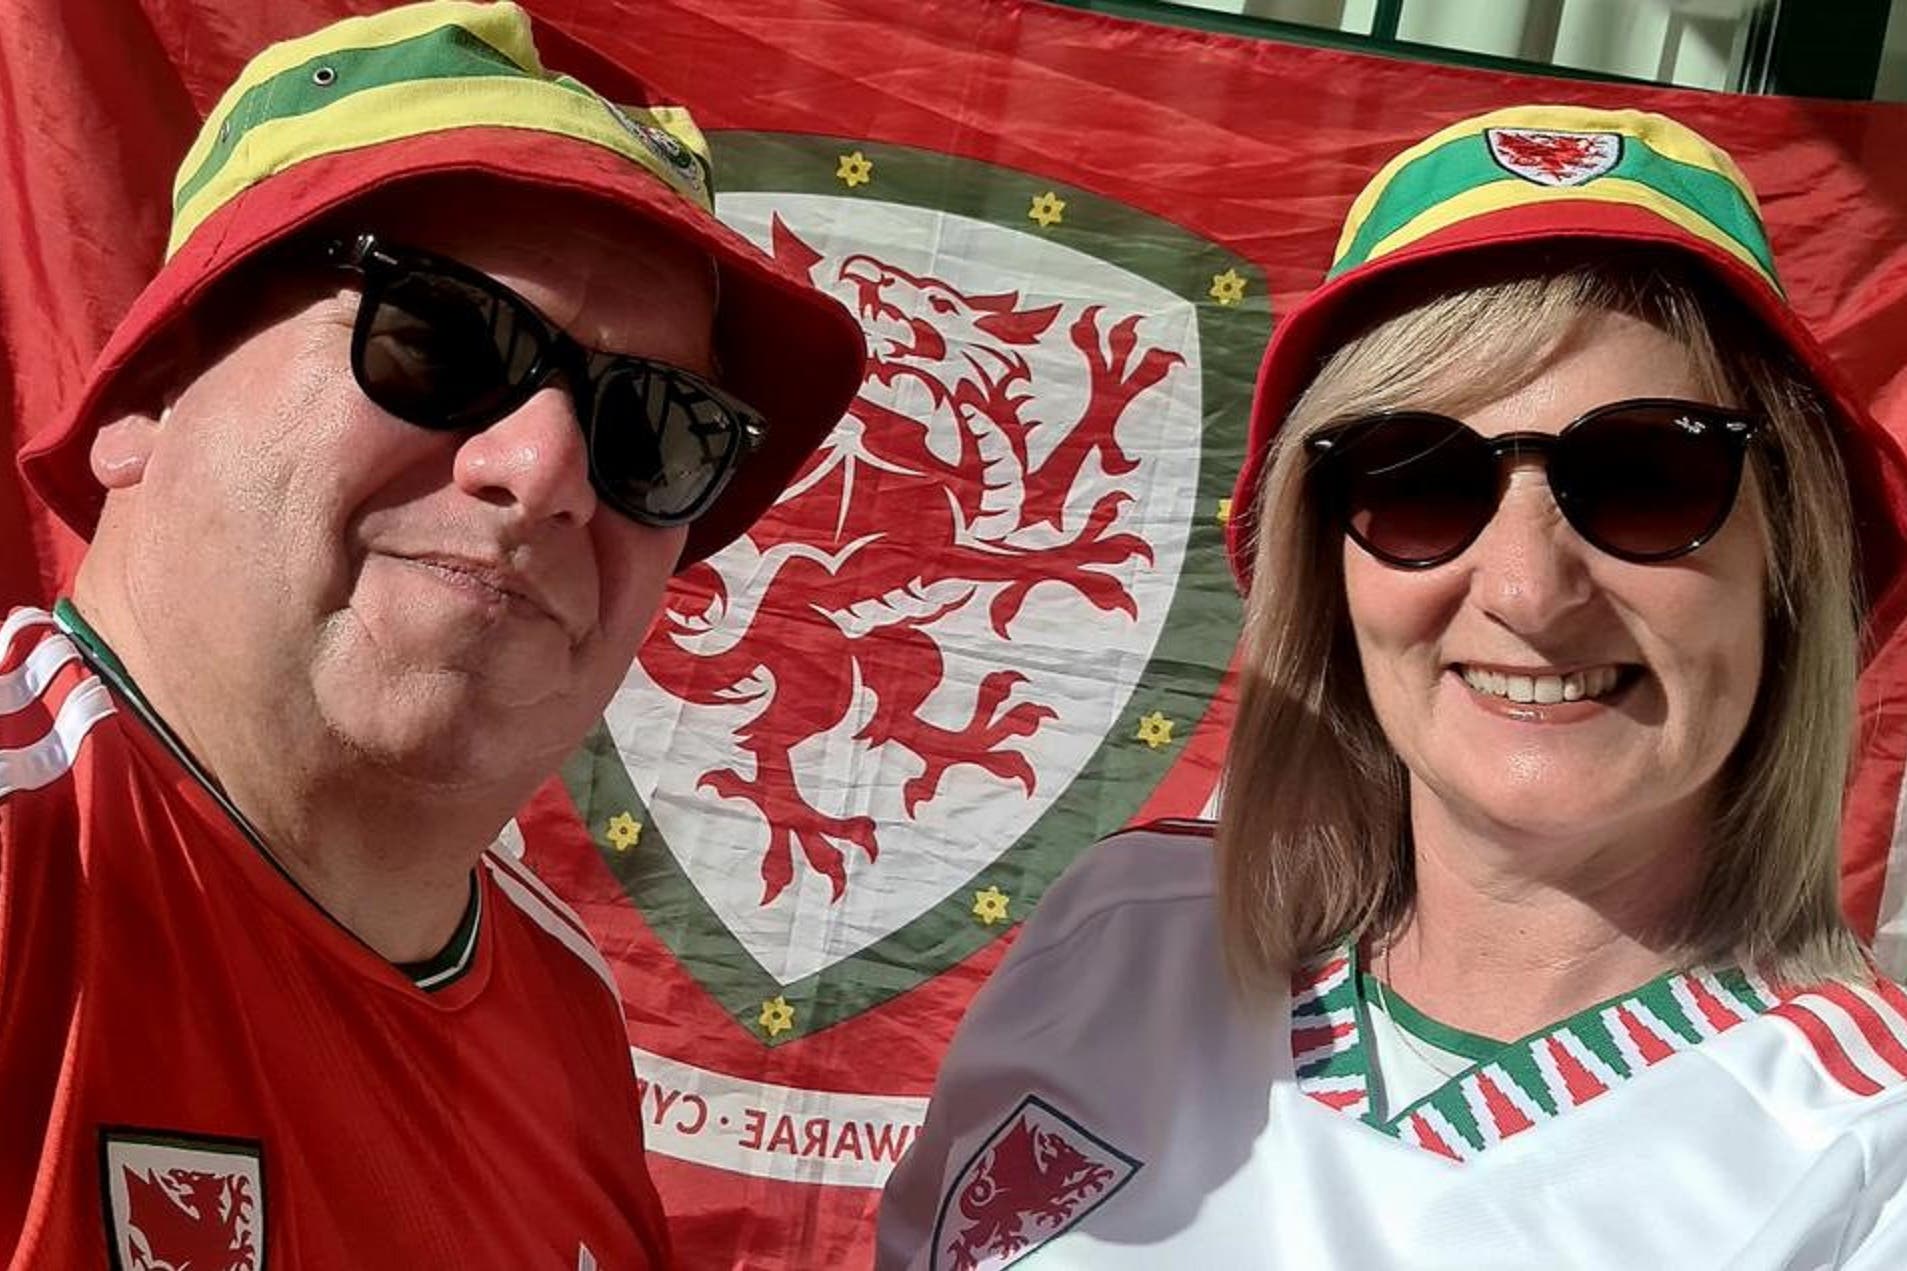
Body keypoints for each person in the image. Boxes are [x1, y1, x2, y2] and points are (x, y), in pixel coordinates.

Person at [876, 105, 1907, 1268]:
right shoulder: (1121, 937)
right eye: (1415, 477)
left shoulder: (1866, 1166)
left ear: (1789, 565)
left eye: (1646, 474)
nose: (1525, 587)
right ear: (1326, 565)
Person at [1, 2, 862, 1266]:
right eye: (439, 335)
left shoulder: (564, 1021)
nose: (550, 466)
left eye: (657, 428)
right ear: (148, 389)